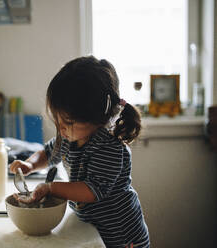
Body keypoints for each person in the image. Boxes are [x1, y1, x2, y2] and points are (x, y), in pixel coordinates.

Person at [9, 56, 150, 248]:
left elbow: (92, 190)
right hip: (92, 226)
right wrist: (30, 165)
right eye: (57, 120)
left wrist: (51, 188)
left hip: (121, 235)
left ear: (97, 117)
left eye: (67, 122)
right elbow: (49, 153)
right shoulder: (69, 138)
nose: (60, 128)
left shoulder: (110, 147)